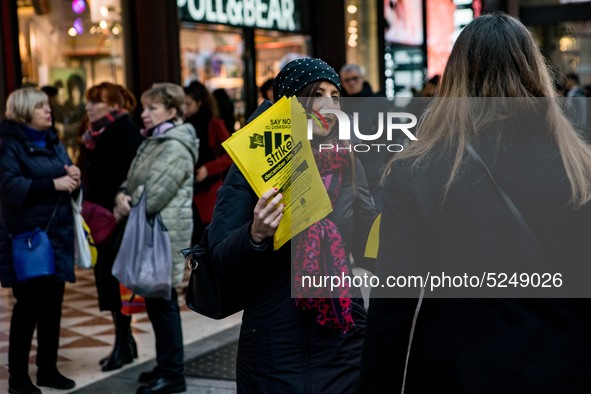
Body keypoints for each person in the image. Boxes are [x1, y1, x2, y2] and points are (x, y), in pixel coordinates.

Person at [358, 13, 591, 393]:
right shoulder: (578, 168)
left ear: (456, 78)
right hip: (561, 368)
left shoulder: (419, 169)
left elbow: (392, 311)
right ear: (535, 72)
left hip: (454, 371)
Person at [209, 58, 377, 393]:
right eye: (317, 95)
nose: (328, 104)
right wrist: (254, 234)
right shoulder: (252, 166)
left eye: (335, 95)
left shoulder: (348, 160)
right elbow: (220, 260)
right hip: (274, 343)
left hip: (341, 338)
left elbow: (369, 243)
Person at [114, 83, 198, 394]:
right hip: (150, 231)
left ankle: (174, 374)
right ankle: (166, 365)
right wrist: (123, 194)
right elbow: (134, 179)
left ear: (173, 110)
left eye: (153, 108)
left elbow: (155, 193)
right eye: (144, 108)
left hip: (163, 234)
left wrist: (128, 201)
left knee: (164, 304)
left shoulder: (174, 144)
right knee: (156, 302)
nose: (145, 114)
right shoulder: (154, 140)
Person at [0, 87, 81, 394]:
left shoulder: (52, 140)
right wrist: (54, 183)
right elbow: (8, 186)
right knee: (27, 308)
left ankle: (48, 369)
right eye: (41, 107)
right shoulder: (8, 143)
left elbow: (63, 177)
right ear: (23, 112)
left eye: (48, 106)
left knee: (53, 306)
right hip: (28, 238)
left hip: (56, 234)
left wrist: (73, 176)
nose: (49, 110)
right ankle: (18, 378)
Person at [82, 82, 144, 372]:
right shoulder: (93, 134)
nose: (89, 107)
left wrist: (120, 198)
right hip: (98, 217)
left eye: (96, 102)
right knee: (106, 281)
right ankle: (125, 341)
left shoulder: (125, 131)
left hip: (118, 218)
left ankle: (123, 341)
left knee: (118, 281)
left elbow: (135, 174)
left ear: (114, 106)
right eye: (89, 102)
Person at [184, 81, 232, 245]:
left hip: (209, 189)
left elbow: (231, 154)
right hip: (187, 188)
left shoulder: (214, 124)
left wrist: (208, 169)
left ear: (199, 103)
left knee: (209, 238)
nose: (185, 109)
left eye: (188, 104)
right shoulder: (182, 125)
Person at [339, 63, 387, 210]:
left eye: (355, 78)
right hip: (349, 169)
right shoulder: (340, 104)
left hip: (376, 168)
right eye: (347, 80)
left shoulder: (378, 101)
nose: (351, 83)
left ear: (362, 78)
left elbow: (391, 134)